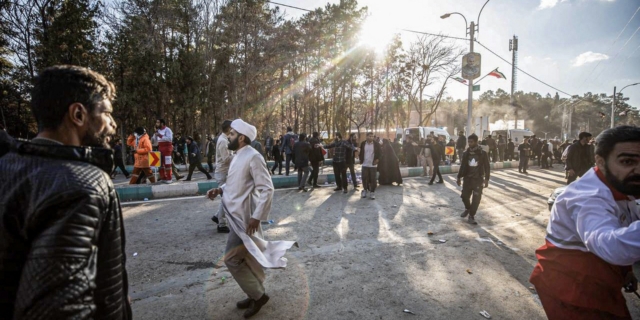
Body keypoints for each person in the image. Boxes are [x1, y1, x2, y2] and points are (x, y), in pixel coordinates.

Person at [0, 65, 131, 319]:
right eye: (106, 113)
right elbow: (60, 308)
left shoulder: (7, 166)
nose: (113, 124)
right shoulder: (84, 185)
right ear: (78, 114)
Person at [529, 126, 640, 319]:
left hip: (601, 279)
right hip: (573, 290)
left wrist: (625, 271)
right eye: (627, 161)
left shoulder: (621, 185)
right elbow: (608, 243)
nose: (638, 170)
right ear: (601, 161)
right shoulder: (587, 198)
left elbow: (622, 223)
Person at [206, 119, 296, 319]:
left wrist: (256, 218)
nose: (228, 136)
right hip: (236, 216)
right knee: (249, 257)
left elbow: (267, 188)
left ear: (241, 137)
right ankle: (253, 292)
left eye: (231, 134)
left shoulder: (253, 157)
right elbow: (236, 184)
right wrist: (219, 189)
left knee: (231, 259)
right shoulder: (237, 156)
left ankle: (259, 295)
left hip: (246, 219)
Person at [456, 134, 490, 225]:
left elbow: (487, 167)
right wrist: (459, 177)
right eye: (469, 142)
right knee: (464, 196)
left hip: (478, 180)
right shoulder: (466, 153)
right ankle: (467, 208)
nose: (469, 144)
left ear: (476, 142)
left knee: (476, 199)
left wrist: (486, 179)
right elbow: (462, 166)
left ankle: (471, 216)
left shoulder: (483, 153)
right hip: (467, 179)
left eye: (471, 142)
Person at [212, 119, 233, 233]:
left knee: (226, 198)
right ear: (229, 128)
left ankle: (217, 216)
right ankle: (221, 223)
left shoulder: (224, 139)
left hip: (224, 172)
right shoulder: (223, 141)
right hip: (223, 172)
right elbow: (226, 159)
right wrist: (239, 156)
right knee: (227, 199)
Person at [359, 132, 381, 199]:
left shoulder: (376, 144)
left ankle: (372, 192)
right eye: (370, 136)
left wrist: (378, 160)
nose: (371, 137)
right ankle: (365, 190)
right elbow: (361, 152)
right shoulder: (363, 144)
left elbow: (380, 153)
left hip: (373, 165)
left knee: (373, 179)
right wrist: (360, 159)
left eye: (372, 136)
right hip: (365, 164)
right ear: (366, 137)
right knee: (364, 178)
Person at [154, 119, 174, 183]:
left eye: (158, 122)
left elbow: (170, 139)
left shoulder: (168, 130)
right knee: (160, 164)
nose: (156, 124)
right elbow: (155, 140)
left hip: (167, 148)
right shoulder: (158, 130)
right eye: (156, 122)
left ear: (162, 123)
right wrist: (155, 134)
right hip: (160, 148)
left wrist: (160, 135)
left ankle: (169, 178)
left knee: (167, 164)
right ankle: (163, 177)